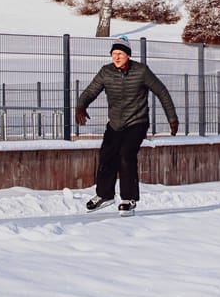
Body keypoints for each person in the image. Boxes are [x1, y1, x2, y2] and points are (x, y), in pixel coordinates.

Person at [75, 40, 179, 213]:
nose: (116, 57)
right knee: (107, 155)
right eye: (114, 54)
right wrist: (81, 106)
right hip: (115, 123)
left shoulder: (141, 71)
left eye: (120, 54)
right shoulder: (106, 72)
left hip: (137, 122)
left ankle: (129, 198)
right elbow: (90, 91)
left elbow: (162, 92)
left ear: (128, 55)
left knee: (125, 155)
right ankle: (105, 195)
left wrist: (172, 119)